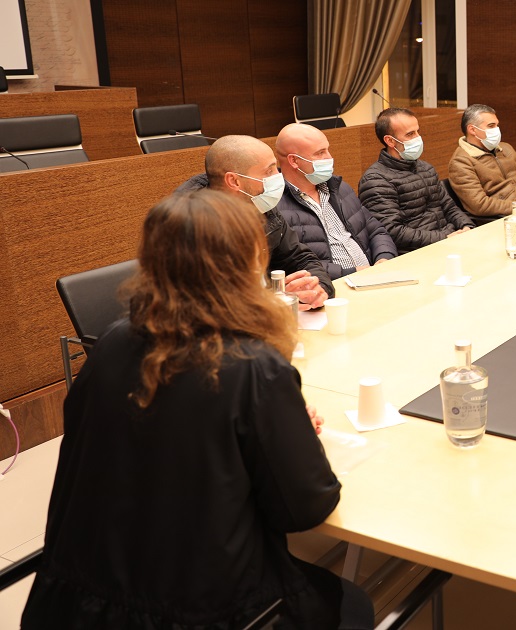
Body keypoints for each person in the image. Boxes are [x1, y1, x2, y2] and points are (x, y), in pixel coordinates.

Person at [21, 190, 373, 629]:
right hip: (201, 613)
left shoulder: (110, 342)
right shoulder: (254, 367)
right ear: (248, 265)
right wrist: (289, 433)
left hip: (72, 607)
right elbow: (306, 510)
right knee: (353, 604)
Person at [177, 135, 331, 309]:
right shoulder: (190, 227)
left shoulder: (260, 205)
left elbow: (300, 258)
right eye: (269, 172)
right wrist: (272, 303)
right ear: (234, 181)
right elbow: (205, 303)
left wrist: (317, 287)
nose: (279, 177)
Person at [275, 123, 398, 279]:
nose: (329, 157)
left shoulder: (339, 188)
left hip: (374, 276)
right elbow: (293, 263)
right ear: (294, 161)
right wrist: (353, 273)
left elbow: (375, 230)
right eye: (320, 153)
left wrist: (384, 258)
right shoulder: (276, 207)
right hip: (330, 286)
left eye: (328, 150)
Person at [359, 108, 475, 253]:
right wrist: (444, 237)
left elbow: (449, 207)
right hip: (417, 252)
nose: (418, 138)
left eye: (417, 131)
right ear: (390, 141)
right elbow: (393, 231)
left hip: (448, 241)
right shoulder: (375, 180)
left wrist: (466, 227)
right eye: (410, 134)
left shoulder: (426, 168)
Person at [448, 103, 516, 219]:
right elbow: (479, 204)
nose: (497, 130)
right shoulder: (460, 162)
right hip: (506, 219)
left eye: (497, 125)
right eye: (491, 126)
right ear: (472, 130)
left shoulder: (506, 148)